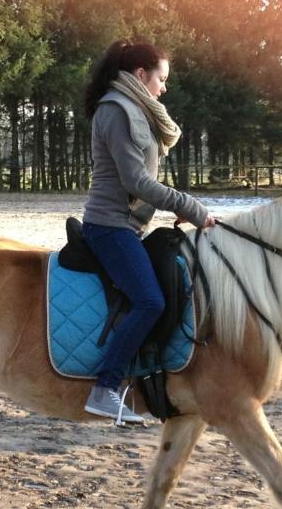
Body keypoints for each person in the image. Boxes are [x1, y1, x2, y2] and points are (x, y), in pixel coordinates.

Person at [80, 40, 216, 424]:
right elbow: (136, 180)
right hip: (109, 227)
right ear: (141, 75)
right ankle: (105, 388)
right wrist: (191, 206)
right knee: (150, 301)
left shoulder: (136, 109)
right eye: (162, 78)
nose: (164, 87)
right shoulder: (117, 110)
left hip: (128, 226)